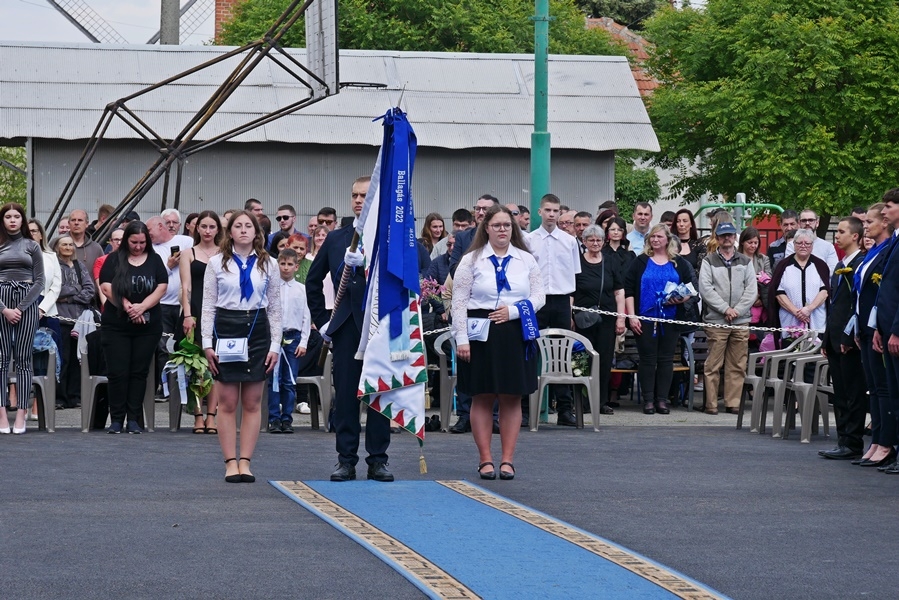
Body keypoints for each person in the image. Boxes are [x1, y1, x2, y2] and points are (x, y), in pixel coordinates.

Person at [308, 176, 394, 483]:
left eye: (364, 195)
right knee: (346, 396)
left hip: (380, 326)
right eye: (355, 195)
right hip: (346, 327)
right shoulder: (336, 238)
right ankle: (345, 459)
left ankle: (378, 460)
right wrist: (323, 321)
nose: (359, 200)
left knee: (380, 395)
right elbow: (312, 281)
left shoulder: (389, 237)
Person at [452, 204, 544, 480]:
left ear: (513, 228)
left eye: (507, 225)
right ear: (486, 228)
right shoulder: (471, 260)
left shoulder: (526, 260)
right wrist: (461, 339)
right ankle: (485, 459)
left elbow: (540, 297)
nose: (502, 230)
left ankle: (507, 459)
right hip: (479, 331)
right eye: (497, 225)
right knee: (481, 395)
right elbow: (458, 303)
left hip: (514, 331)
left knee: (511, 396)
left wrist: (514, 310)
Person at [202, 211, 281, 483]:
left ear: (257, 232)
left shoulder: (269, 264)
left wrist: (275, 345)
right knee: (227, 401)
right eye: (238, 226)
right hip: (226, 328)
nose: (244, 230)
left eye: (249, 226)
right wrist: (206, 343)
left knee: (252, 401)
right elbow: (208, 306)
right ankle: (229, 462)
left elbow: (276, 308)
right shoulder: (216, 263)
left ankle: (245, 461)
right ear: (230, 232)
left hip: (257, 329)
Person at [98, 221, 168, 434]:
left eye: (142, 243)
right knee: (118, 372)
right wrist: (128, 307)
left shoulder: (155, 260)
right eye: (133, 242)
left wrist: (143, 307)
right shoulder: (113, 259)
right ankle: (117, 418)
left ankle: (134, 418)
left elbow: (161, 286)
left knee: (139, 372)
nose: (138, 247)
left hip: (148, 326)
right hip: (117, 325)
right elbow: (106, 286)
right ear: (126, 240)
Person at [624, 224, 693, 415]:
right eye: (652, 237)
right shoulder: (640, 262)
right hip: (644, 320)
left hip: (670, 320)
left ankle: (662, 400)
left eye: (659, 237)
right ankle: (648, 400)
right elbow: (628, 289)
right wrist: (632, 316)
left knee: (665, 360)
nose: (655, 240)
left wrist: (680, 298)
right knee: (647, 359)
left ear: (667, 239)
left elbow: (690, 287)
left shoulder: (678, 262)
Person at [525, 193, 581, 427]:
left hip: (560, 301)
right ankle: (525, 409)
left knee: (561, 355)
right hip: (535, 300)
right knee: (529, 352)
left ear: (560, 213)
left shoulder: (569, 242)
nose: (551, 214)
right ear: (540, 212)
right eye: (547, 210)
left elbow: (574, 274)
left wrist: (569, 306)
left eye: (555, 211)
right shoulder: (528, 240)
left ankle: (565, 410)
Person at [819, 217, 867, 460]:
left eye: (841, 231)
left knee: (853, 392)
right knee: (840, 393)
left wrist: (848, 337)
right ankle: (842, 439)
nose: (836, 236)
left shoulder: (859, 264)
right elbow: (834, 306)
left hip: (848, 341)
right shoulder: (840, 266)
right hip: (834, 338)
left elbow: (854, 307)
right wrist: (827, 339)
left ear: (855, 236)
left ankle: (853, 441)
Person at [697, 222, 757, 415]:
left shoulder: (746, 261)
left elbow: (752, 289)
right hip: (716, 320)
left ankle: (733, 403)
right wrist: (725, 309)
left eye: (730, 235)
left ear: (734, 237)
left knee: (738, 364)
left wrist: (737, 310)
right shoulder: (709, 260)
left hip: (740, 320)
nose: (727, 238)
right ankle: (711, 404)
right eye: (723, 235)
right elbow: (706, 289)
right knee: (713, 364)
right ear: (717, 237)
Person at [852, 202, 895, 467]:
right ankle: (878, 439)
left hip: (880, 326)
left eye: (870, 222)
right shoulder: (871, 252)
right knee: (875, 388)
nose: (865, 227)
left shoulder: (888, 249)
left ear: (884, 222)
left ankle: (886, 441)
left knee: (883, 387)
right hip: (867, 327)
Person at [0, 203, 45, 435]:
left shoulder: (32, 245)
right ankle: (1, 414)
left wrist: (20, 307)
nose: (12, 220)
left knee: (24, 359)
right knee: (1, 359)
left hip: (26, 303)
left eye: (17, 216)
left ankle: (21, 413)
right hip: (1, 302)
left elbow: (40, 281)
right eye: (8, 216)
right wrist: (5, 309)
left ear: (23, 220)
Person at [574, 225, 626, 415]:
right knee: (580, 360)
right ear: (584, 242)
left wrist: (621, 318)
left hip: (607, 318)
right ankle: (581, 401)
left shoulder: (611, 261)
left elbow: (619, 291)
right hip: (582, 319)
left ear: (603, 241)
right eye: (591, 240)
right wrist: (569, 317)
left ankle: (601, 401)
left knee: (604, 360)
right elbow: (572, 291)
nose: (595, 243)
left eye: (598, 240)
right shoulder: (577, 262)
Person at [180, 210, 222, 435]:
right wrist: (187, 315)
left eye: (211, 227)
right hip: (194, 310)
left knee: (215, 367)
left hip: (218, 313)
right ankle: (197, 415)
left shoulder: (224, 252)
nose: (207, 231)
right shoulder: (189, 253)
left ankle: (212, 416)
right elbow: (186, 286)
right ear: (196, 229)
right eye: (203, 226)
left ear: (218, 230)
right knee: (196, 367)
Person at [147, 216, 193, 391]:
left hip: (184, 304)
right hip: (162, 304)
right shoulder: (150, 250)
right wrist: (168, 266)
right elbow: (152, 276)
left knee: (185, 345)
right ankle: (166, 386)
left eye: (149, 231)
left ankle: (186, 386)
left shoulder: (186, 241)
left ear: (160, 226)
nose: (147, 235)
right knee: (163, 348)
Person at [266, 248, 310, 434]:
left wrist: (304, 342)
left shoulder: (302, 289)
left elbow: (306, 317)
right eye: (282, 264)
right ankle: (274, 418)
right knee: (274, 380)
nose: (285, 268)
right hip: (274, 338)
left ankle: (287, 419)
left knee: (289, 380)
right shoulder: (271, 288)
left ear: (296, 266)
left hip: (293, 337)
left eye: (289, 264)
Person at [54, 236, 95, 410]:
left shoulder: (80, 266)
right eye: (64, 244)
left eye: (71, 244)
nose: (68, 247)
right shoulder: (53, 266)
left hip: (79, 321)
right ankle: (59, 397)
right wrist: (76, 290)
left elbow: (90, 290)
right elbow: (55, 291)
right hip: (60, 319)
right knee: (62, 359)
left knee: (77, 359)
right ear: (57, 247)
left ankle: (74, 396)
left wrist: (68, 297)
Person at [26, 219, 61, 420]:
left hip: (46, 309)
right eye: (28, 231)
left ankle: (38, 404)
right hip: (19, 308)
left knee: (44, 358)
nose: (31, 234)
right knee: (19, 356)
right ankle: (16, 396)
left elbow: (56, 286)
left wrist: (41, 308)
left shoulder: (51, 256)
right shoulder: (12, 254)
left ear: (41, 234)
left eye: (35, 231)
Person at [769, 228, 829, 344]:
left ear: (812, 245)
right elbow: (779, 292)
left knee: (814, 358)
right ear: (794, 244)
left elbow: (824, 291)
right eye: (799, 243)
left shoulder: (820, 265)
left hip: (816, 321)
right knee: (790, 358)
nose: (803, 246)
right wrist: (797, 312)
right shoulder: (783, 265)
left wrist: (809, 309)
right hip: (790, 321)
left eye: (807, 243)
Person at [739, 227, 773, 338]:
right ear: (742, 242)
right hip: (741, 304)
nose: (753, 246)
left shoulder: (764, 259)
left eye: (756, 243)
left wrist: (758, 297)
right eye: (750, 242)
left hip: (760, 303)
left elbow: (768, 279)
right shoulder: (736, 259)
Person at [450, 195, 500, 269]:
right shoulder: (462, 238)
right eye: (477, 209)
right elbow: (453, 269)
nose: (480, 213)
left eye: (485, 209)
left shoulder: (503, 236)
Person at [64, 209, 104, 284]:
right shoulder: (56, 244)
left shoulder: (96, 248)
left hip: (90, 294)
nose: (76, 223)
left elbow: (102, 274)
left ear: (87, 224)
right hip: (64, 294)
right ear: (69, 223)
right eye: (73, 220)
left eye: (80, 220)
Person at [94, 229, 124, 309]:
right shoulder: (102, 260)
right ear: (110, 241)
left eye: (122, 239)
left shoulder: (133, 259)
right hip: (110, 306)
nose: (119, 243)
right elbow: (101, 288)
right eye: (116, 240)